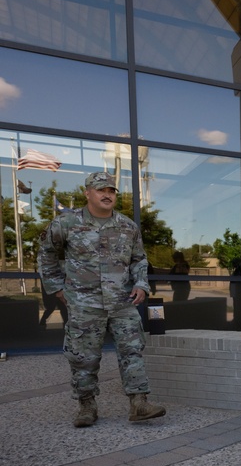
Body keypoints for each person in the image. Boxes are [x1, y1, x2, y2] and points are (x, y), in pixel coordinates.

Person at [37, 171, 166, 427]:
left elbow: (139, 259)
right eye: (101, 190)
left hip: (122, 302)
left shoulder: (128, 226)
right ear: (87, 193)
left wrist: (141, 283)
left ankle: (139, 403)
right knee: (84, 357)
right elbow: (46, 254)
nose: (107, 195)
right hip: (85, 305)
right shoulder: (66, 223)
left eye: (111, 191)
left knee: (132, 352)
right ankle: (87, 407)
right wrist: (56, 288)